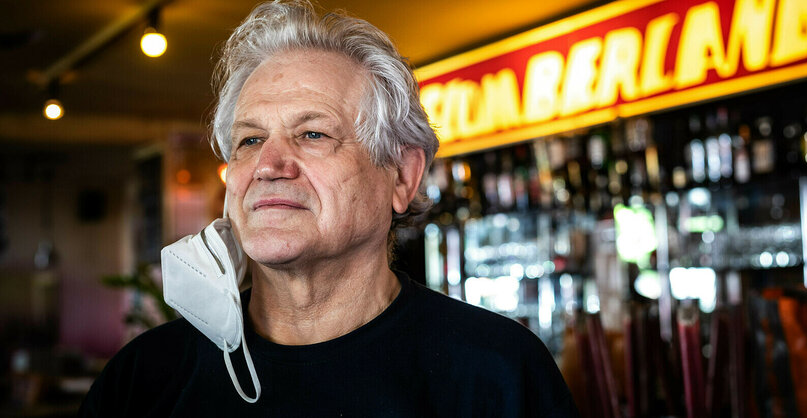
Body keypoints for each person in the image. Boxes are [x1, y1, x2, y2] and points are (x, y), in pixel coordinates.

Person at [79, 1, 578, 416]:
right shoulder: (143, 380)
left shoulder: (499, 372)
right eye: (249, 140)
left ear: (402, 176)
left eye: (312, 133)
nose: (268, 165)